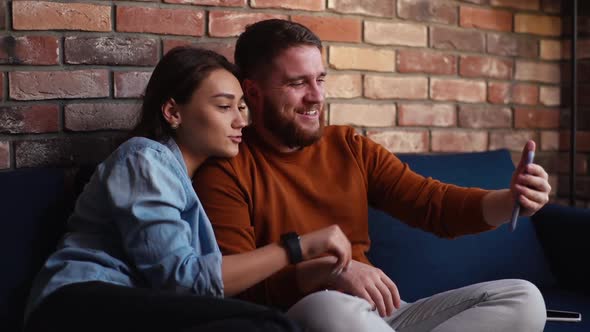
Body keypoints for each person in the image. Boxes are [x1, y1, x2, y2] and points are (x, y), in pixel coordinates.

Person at [193, 19, 552, 332]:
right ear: (254, 92)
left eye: (320, 79)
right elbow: (237, 286)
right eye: (297, 83)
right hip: (308, 315)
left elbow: (433, 204)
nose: (317, 96)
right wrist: (331, 272)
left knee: (523, 298)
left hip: (386, 315)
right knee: (329, 305)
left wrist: (511, 200)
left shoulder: (348, 145)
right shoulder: (227, 167)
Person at [23, 46, 352, 332]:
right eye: (224, 107)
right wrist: (297, 247)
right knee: (268, 326)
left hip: (141, 310)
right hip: (74, 306)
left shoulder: (193, 181)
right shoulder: (144, 158)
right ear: (172, 112)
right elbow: (183, 280)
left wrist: (321, 273)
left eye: (241, 107)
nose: (241, 121)